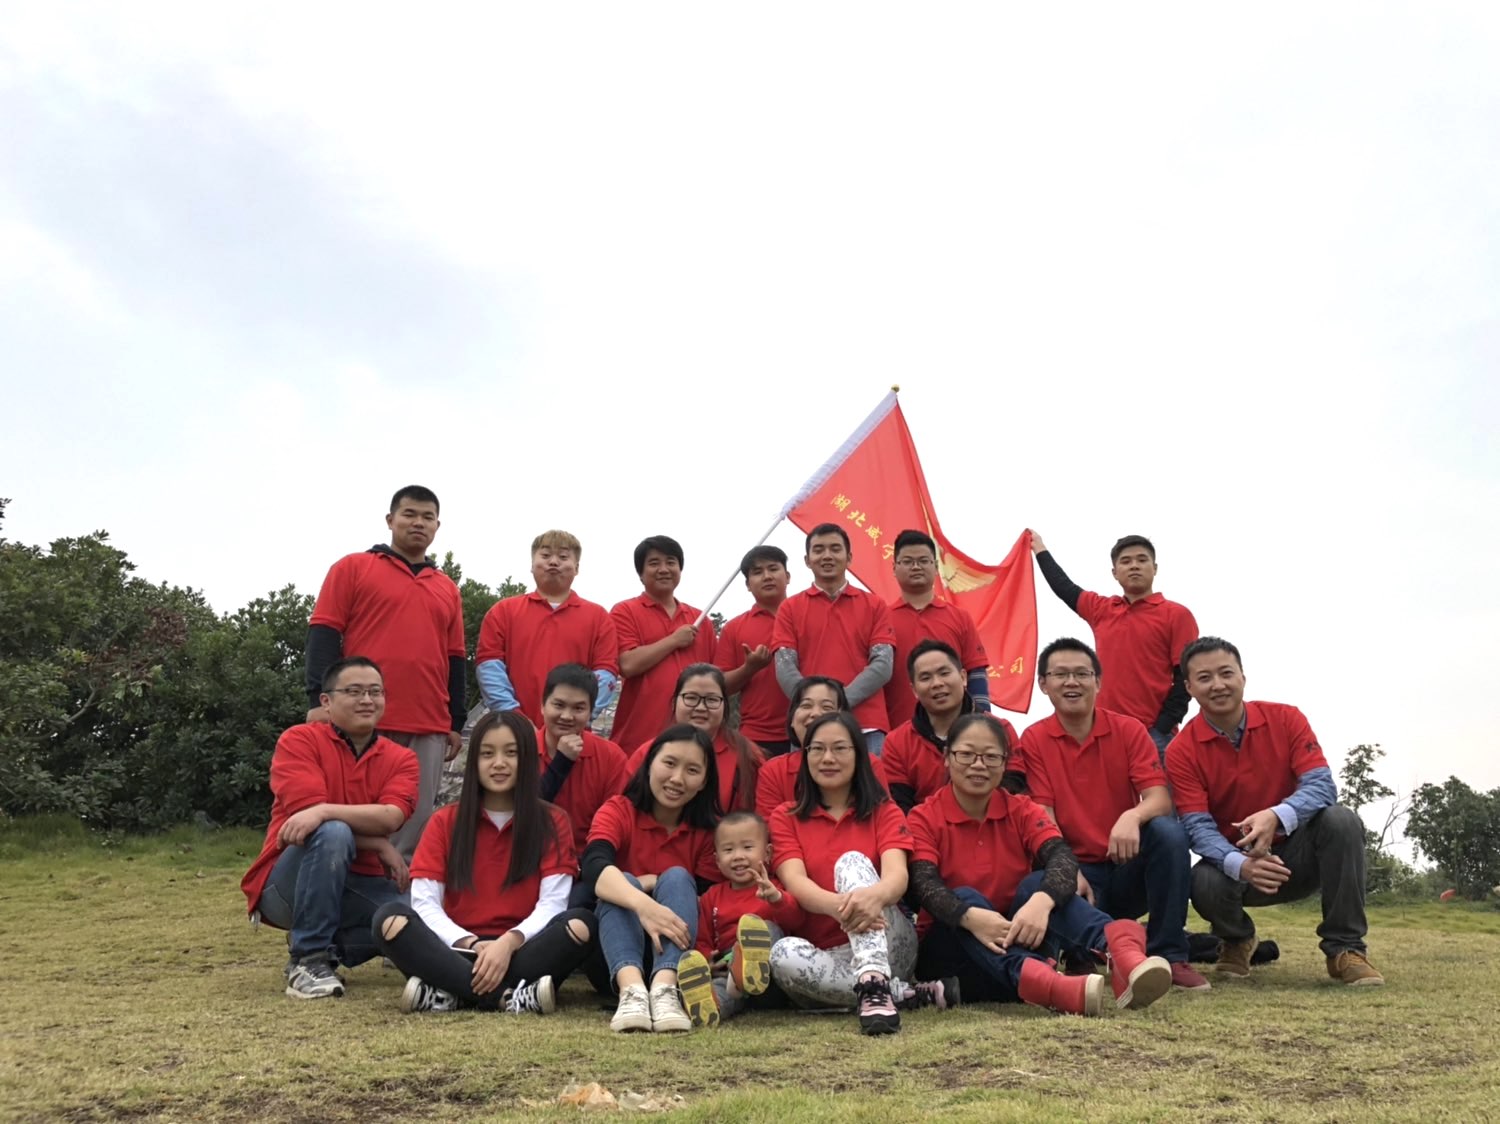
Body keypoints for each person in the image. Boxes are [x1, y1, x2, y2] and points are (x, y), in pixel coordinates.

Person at [908, 714, 1174, 1014]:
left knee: (1037, 883)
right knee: (965, 895)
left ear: (1005, 763)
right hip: (952, 950)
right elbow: (923, 884)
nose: (979, 765)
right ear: (946, 757)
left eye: (991, 756)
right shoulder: (923, 817)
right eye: (966, 754)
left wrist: (1042, 901)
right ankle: (1050, 984)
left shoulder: (1021, 809)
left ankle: (1122, 953)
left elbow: (1062, 857)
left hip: (1019, 938)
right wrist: (970, 918)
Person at [1166, 637, 1382, 985]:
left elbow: (1322, 785)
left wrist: (1277, 815)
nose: (1218, 685)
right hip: (1237, 864)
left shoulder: (1286, 718)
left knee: (1341, 820)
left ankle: (1345, 949)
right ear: (1189, 687)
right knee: (1201, 879)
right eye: (1204, 678)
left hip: (1301, 855)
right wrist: (1241, 864)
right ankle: (1237, 939)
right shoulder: (1181, 751)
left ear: (1243, 677)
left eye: (1226, 673)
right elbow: (1196, 826)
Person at [371, 711, 597, 1014]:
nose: (499, 763)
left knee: (581, 925)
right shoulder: (444, 821)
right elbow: (425, 903)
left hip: (524, 949)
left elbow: (553, 903)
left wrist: (508, 943)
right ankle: (509, 997)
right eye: (487, 754)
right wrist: (472, 944)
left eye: (511, 753)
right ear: (474, 761)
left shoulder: (553, 821)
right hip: (456, 949)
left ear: (528, 760)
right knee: (389, 919)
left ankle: (451, 992)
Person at [1017, 638, 1208, 991]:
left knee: (1168, 833)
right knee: (1036, 884)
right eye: (1060, 674)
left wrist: (1132, 816)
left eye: (1082, 673)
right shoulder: (1033, 739)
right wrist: (1065, 868)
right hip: (1079, 875)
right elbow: (1043, 816)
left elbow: (1160, 799)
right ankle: (1099, 950)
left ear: (1098, 682)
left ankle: (1170, 955)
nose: (1072, 682)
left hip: (1125, 863)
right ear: (1043, 684)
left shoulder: (1129, 730)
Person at [241, 658, 418, 999]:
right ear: (326, 701)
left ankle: (335, 948)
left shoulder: (401, 758)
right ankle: (308, 959)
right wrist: (378, 844)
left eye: (375, 692)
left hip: (357, 883)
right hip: (287, 884)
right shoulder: (299, 741)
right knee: (333, 832)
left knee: (420, 917)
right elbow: (307, 824)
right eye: (354, 691)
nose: (367, 700)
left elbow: (391, 817)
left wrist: (323, 810)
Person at [305, 485, 465, 860]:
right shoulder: (353, 568)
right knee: (348, 817)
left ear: (437, 526)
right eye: (409, 514)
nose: (418, 523)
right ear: (390, 520)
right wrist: (318, 701)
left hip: (427, 722)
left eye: (427, 517)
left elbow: (455, 657)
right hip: (360, 715)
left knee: (414, 823)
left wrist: (455, 720)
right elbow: (324, 633)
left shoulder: (447, 588)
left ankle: (399, 894)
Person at [768, 713, 952, 1035]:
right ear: (805, 756)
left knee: (851, 862)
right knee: (782, 954)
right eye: (817, 749)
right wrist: (847, 908)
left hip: (888, 940)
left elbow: (897, 878)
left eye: (840, 748)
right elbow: (795, 882)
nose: (828, 758)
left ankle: (874, 977)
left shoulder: (884, 810)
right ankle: (898, 993)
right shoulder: (785, 816)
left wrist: (871, 900)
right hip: (828, 954)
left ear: (859, 755)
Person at [582, 726, 723, 1032]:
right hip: (611, 958)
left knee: (677, 878)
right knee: (622, 882)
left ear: (704, 781)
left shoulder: (709, 833)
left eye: (692, 770)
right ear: (649, 764)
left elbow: (708, 899)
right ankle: (631, 991)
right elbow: (593, 869)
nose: (677, 779)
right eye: (669, 763)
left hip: (678, 954)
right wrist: (645, 906)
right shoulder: (618, 810)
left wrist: (655, 884)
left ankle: (665, 990)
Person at [1028, 531, 1197, 755]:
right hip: (1104, 732)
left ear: (1155, 568)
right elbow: (1063, 587)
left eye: (1142, 560)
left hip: (1153, 735)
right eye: (1126, 561)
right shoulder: (1102, 610)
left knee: (1159, 782)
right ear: (1115, 572)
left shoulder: (1176, 614)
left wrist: (1162, 727)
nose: (1134, 566)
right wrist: (1039, 548)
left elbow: (1187, 677)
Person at [772, 523, 897, 756]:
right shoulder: (789, 608)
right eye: (818, 550)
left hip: (866, 726)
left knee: (871, 781)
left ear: (849, 557)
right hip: (808, 726)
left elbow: (882, 665)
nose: (827, 556)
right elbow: (784, 667)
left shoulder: (875, 605)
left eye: (835, 549)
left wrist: (834, 702)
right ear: (807, 560)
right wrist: (816, 706)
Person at [674, 812, 807, 1027]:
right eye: (728, 850)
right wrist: (707, 959)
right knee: (721, 989)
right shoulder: (712, 896)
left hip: (770, 978)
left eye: (747, 847)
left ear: (767, 853)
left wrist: (776, 898)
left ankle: (749, 965)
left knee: (768, 929)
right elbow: (703, 938)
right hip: (729, 971)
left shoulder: (775, 887)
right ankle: (711, 1006)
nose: (738, 856)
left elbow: (796, 921)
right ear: (717, 860)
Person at [475, 530, 620, 725]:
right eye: (545, 555)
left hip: (574, 734)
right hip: (515, 733)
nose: (553, 562)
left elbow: (607, 673)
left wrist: (574, 717)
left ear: (577, 567)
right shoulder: (502, 612)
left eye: (563, 557)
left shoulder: (599, 618)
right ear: (532, 564)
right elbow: (489, 668)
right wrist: (516, 720)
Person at [882, 640, 1021, 813]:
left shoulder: (1001, 730)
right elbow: (900, 809)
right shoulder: (897, 743)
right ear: (914, 690)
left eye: (944, 673)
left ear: (963, 677)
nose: (937, 683)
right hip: (924, 828)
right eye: (926, 678)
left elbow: (1014, 792)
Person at [610, 536, 716, 751]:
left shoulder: (700, 619)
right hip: (638, 737)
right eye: (654, 563)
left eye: (671, 562)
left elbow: (716, 678)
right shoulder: (625, 611)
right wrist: (673, 640)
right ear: (641, 574)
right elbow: (627, 664)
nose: (664, 569)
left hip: (693, 740)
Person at [883, 530, 991, 730]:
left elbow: (975, 673)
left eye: (923, 561)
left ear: (935, 567)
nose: (916, 567)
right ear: (894, 568)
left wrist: (982, 723)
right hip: (896, 732)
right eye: (907, 561)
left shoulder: (959, 617)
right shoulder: (881, 619)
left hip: (957, 733)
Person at [622, 664, 764, 815]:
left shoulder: (748, 755)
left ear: (725, 706)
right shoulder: (648, 752)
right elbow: (624, 809)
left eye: (711, 700)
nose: (701, 707)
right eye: (691, 698)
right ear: (674, 703)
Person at [535, 664, 631, 861]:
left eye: (578, 708)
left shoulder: (611, 757)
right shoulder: (518, 750)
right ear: (543, 706)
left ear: (590, 713)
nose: (567, 716)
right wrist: (562, 761)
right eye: (559, 705)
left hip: (587, 862)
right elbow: (516, 814)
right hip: (529, 858)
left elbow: (616, 823)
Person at [755, 677, 889, 812]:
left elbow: (883, 815)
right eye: (806, 705)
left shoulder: (869, 764)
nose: (815, 714)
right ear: (792, 719)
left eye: (826, 707)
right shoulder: (774, 771)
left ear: (844, 718)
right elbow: (769, 823)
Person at [715, 546, 793, 755]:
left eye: (773, 569)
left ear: (787, 577)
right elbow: (720, 687)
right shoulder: (734, 628)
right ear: (748, 585)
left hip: (810, 730)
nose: (767, 576)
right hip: (757, 737)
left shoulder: (808, 617)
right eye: (757, 572)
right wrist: (749, 668)